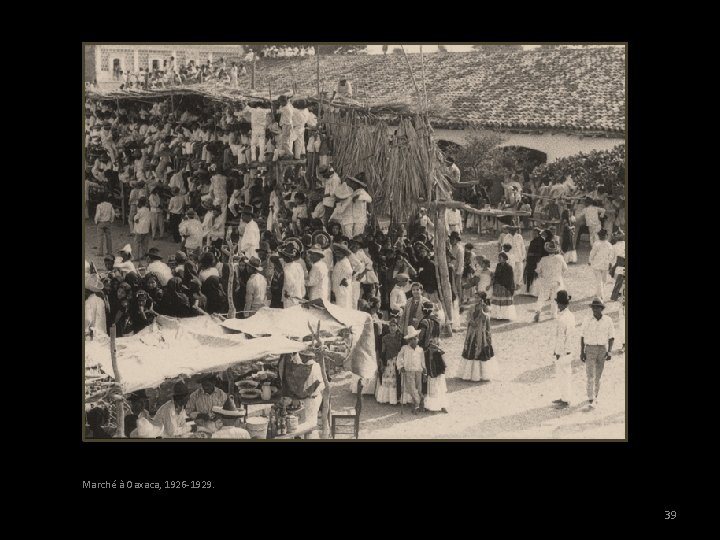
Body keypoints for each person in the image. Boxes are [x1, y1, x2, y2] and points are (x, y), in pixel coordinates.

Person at [580, 299, 615, 410]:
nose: (595, 309)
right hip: (590, 349)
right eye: (593, 307)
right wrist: (582, 351)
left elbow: (611, 337)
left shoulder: (608, 320)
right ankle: (591, 398)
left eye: (597, 307)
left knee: (598, 375)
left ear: (601, 308)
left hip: (602, 349)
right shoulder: (587, 320)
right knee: (590, 375)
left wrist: (609, 351)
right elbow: (582, 336)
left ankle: (595, 395)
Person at [459, 292, 498, 381]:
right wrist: (470, 321)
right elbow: (468, 317)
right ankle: (471, 374)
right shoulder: (472, 307)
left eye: (477, 298)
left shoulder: (486, 307)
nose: (475, 299)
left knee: (481, 351)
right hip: (472, 332)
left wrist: (481, 311)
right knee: (471, 350)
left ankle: (482, 374)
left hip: (482, 334)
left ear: (482, 299)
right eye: (475, 297)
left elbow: (486, 319)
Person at [418, 302, 448, 413]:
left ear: (423, 310)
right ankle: (441, 403)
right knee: (439, 376)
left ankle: (428, 404)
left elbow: (421, 338)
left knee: (427, 375)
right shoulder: (437, 321)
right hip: (437, 351)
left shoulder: (424, 322)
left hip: (427, 352)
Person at [532, 240, 568, 322]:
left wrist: (542, 275)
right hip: (556, 280)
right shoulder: (560, 258)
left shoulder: (543, 259)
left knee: (541, 297)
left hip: (546, 281)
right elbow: (565, 269)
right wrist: (559, 273)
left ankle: (538, 310)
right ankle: (553, 314)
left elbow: (538, 270)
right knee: (554, 297)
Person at [551, 290, 576, 409]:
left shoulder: (561, 319)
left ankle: (565, 400)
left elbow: (561, 338)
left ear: (560, 304)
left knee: (563, 376)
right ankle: (564, 397)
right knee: (565, 375)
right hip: (569, 349)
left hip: (563, 351)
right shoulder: (570, 316)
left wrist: (557, 352)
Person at [396, 326, 426, 414]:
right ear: (408, 341)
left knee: (418, 388)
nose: (414, 340)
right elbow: (399, 357)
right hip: (408, 371)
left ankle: (419, 402)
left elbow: (422, 361)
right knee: (411, 388)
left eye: (415, 338)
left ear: (417, 339)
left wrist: (424, 370)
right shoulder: (404, 349)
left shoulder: (420, 350)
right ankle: (417, 404)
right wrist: (401, 366)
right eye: (411, 339)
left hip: (418, 370)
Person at [295, 349, 325, 434]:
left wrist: (306, 393)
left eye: (302, 356)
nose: (301, 358)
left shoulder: (308, 367)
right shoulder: (317, 365)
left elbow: (317, 383)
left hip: (311, 397)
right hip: (316, 396)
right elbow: (321, 383)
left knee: (310, 423)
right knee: (311, 421)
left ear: (307, 357)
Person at [376, 318, 403, 405]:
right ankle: (385, 398)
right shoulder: (385, 338)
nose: (392, 328)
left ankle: (395, 399)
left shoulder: (400, 337)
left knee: (395, 380)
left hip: (397, 360)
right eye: (390, 326)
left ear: (397, 327)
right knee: (386, 379)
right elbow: (383, 351)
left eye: (394, 326)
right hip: (388, 361)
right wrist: (381, 362)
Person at [588, 229, 615, 302]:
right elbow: (592, 253)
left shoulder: (607, 244)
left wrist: (610, 263)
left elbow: (611, 255)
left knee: (603, 280)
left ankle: (599, 293)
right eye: (602, 235)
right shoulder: (598, 244)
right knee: (600, 280)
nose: (603, 236)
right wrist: (590, 260)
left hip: (602, 265)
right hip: (599, 265)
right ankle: (600, 296)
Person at [490, 252, 517, 321]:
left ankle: (505, 316)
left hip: (505, 286)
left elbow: (510, 278)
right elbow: (496, 274)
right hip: (498, 286)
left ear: (504, 259)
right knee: (498, 302)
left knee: (504, 302)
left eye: (500, 258)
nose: (499, 259)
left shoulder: (509, 267)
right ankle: (498, 315)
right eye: (498, 257)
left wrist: (510, 288)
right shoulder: (498, 265)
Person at [280, 243, 306, 307]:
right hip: (299, 294)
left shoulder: (286, 269)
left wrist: (287, 294)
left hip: (289, 297)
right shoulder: (298, 266)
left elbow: (289, 283)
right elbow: (302, 281)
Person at [331, 242, 354, 309]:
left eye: (339, 254)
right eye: (336, 254)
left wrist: (344, 279)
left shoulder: (345, 262)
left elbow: (349, 272)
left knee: (343, 306)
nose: (337, 255)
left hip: (342, 288)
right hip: (338, 288)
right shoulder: (339, 262)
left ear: (343, 254)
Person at [85, 273, 108, 339]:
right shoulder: (100, 300)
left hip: (93, 336)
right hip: (102, 333)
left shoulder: (88, 302)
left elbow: (87, 320)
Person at [523, 227, 545, 296]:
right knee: (529, 274)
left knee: (536, 275)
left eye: (535, 233)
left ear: (539, 233)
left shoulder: (542, 241)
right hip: (530, 260)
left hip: (537, 260)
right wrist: (528, 258)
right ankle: (528, 289)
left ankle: (535, 290)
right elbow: (529, 251)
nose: (534, 234)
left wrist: (538, 259)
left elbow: (542, 251)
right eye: (533, 233)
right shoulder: (532, 241)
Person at [449, 232, 465, 305]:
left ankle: (460, 301)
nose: (451, 241)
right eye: (451, 239)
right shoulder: (451, 247)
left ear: (456, 240)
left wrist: (458, 271)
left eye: (453, 239)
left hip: (457, 270)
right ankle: (455, 300)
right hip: (452, 269)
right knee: (453, 286)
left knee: (458, 285)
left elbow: (461, 261)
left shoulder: (459, 248)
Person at [610, 230, 625, 301]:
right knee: (620, 281)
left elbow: (611, 259)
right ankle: (618, 294)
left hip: (620, 265)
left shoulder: (614, 247)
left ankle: (614, 296)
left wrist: (612, 267)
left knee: (618, 281)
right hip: (621, 264)